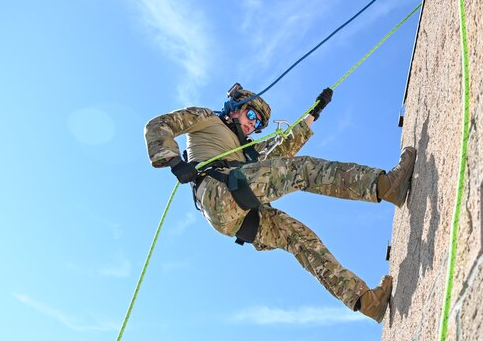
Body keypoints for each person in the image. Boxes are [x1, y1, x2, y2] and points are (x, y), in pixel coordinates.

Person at [144, 85, 415, 323]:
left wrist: (314, 113)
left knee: (300, 239)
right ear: (236, 106)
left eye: (258, 124)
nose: (252, 125)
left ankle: (367, 302)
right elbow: (159, 124)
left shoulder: (246, 150)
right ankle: (384, 186)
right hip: (220, 192)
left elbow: (279, 153)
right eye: (250, 115)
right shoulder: (206, 119)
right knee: (301, 170)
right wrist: (173, 160)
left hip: (240, 213)